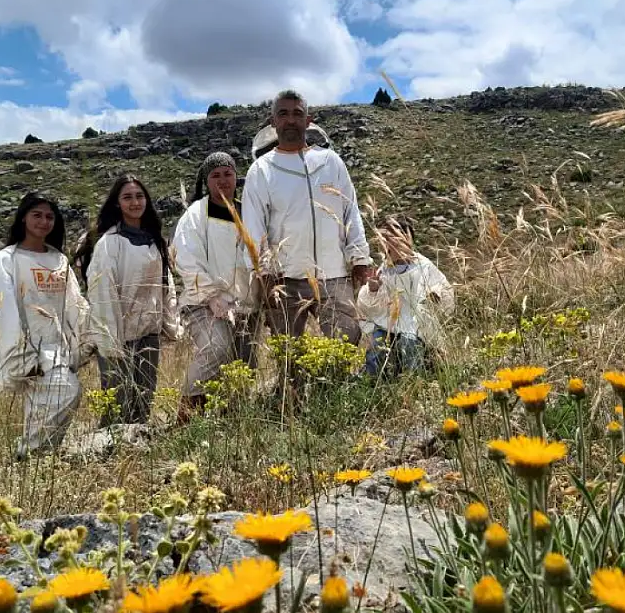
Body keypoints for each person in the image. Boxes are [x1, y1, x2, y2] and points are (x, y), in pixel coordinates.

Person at [241, 89, 374, 343]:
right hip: (285, 280)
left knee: (344, 346)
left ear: (308, 120)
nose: (290, 120)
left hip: (334, 275)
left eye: (297, 114)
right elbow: (254, 228)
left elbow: (350, 211)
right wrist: (266, 277)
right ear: (273, 122)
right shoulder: (261, 170)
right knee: (290, 358)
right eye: (283, 114)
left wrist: (360, 259)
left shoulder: (331, 162)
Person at [0, 193, 89, 459]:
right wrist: (20, 353)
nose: (44, 221)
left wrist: (83, 340)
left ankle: (35, 459)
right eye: (37, 214)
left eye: (49, 216)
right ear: (23, 217)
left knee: (48, 403)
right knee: (65, 391)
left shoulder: (58, 260)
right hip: (31, 348)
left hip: (58, 346)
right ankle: (31, 454)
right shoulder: (6, 260)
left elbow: (73, 302)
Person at [75, 174, 182, 427]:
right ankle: (107, 456)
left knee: (144, 401)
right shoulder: (109, 244)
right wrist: (112, 344)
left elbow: (166, 285)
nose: (135, 202)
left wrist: (169, 323)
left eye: (139, 196)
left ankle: (136, 455)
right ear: (117, 203)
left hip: (149, 333)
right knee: (117, 405)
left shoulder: (155, 240)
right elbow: (103, 295)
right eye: (127, 197)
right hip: (119, 337)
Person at [172, 152, 261, 414]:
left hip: (245, 306)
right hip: (205, 303)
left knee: (245, 365)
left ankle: (230, 418)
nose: (222, 180)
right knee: (216, 348)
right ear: (206, 180)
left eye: (227, 173)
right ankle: (187, 413)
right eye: (215, 175)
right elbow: (186, 257)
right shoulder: (196, 215)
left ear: (236, 177)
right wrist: (211, 297)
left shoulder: (249, 213)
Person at [357, 215, 455, 377]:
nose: (389, 245)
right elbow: (370, 306)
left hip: (416, 324)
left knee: (409, 344)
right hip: (388, 324)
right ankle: (373, 382)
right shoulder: (383, 271)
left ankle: (414, 382)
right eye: (385, 240)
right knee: (376, 347)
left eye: (393, 238)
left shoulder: (423, 266)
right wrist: (373, 289)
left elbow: (442, 288)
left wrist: (435, 295)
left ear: (407, 239)